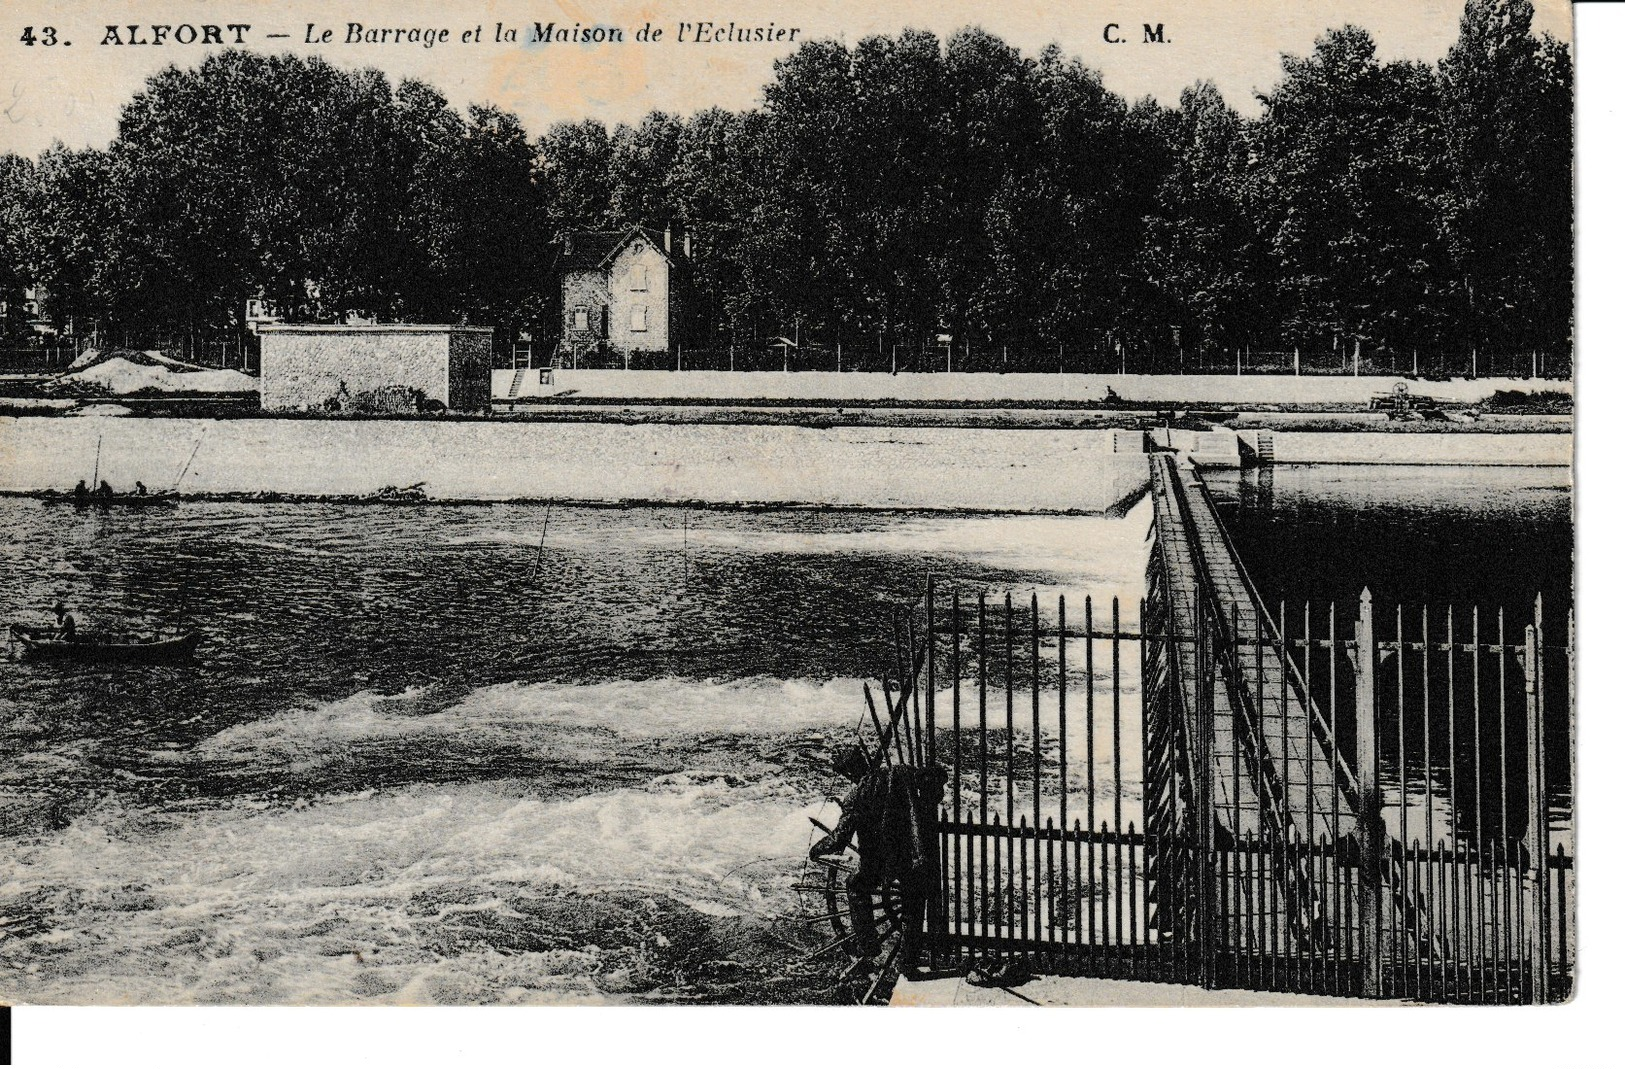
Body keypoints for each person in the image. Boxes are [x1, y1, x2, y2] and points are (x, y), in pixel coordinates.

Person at [809, 745, 946, 963]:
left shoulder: (855, 795)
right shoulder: (902, 773)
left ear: (849, 772)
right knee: (913, 901)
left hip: (878, 863)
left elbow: (839, 840)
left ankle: (869, 944)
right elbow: (935, 777)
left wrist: (816, 850)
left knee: (855, 886)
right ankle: (907, 962)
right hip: (910, 855)